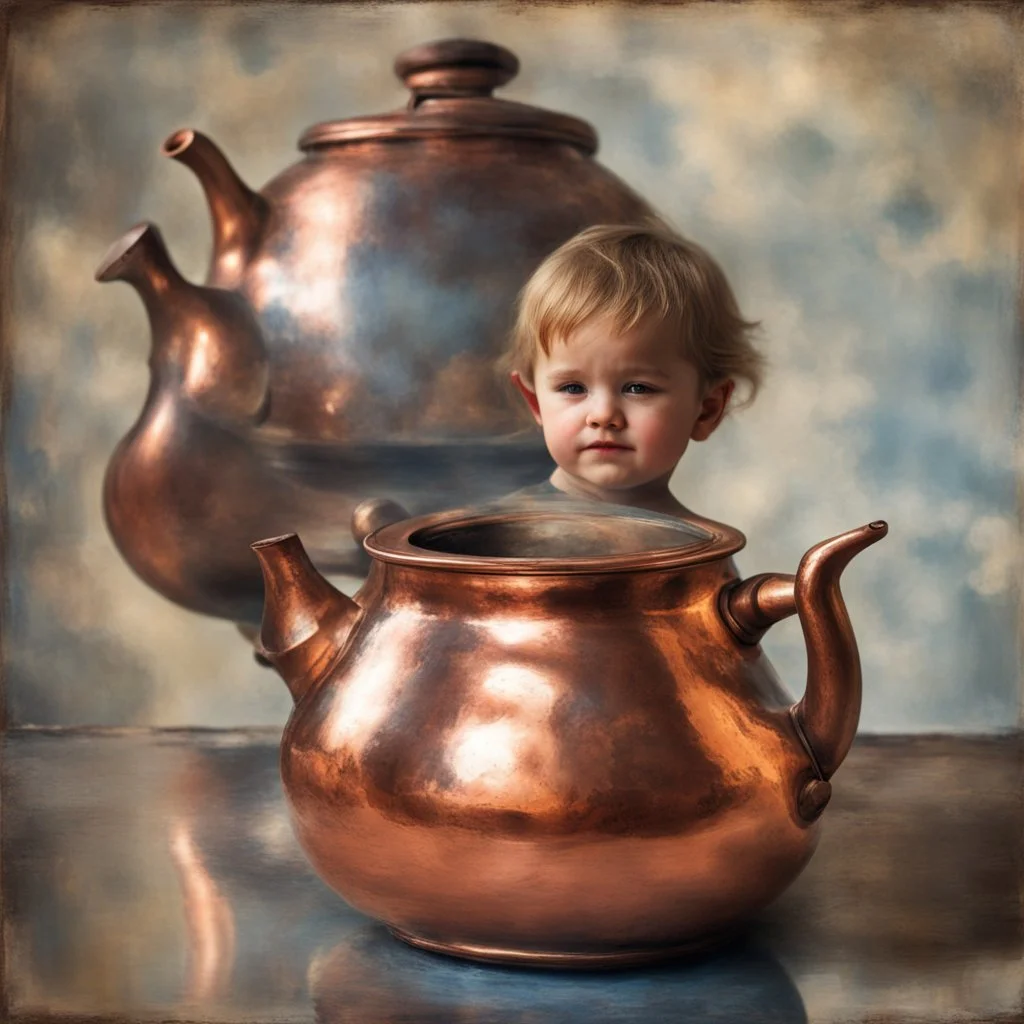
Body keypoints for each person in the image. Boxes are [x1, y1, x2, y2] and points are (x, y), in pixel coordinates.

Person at [498, 220, 764, 520]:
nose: (602, 416)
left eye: (638, 388)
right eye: (573, 388)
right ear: (535, 402)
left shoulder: (704, 549)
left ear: (706, 410)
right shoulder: (502, 533)